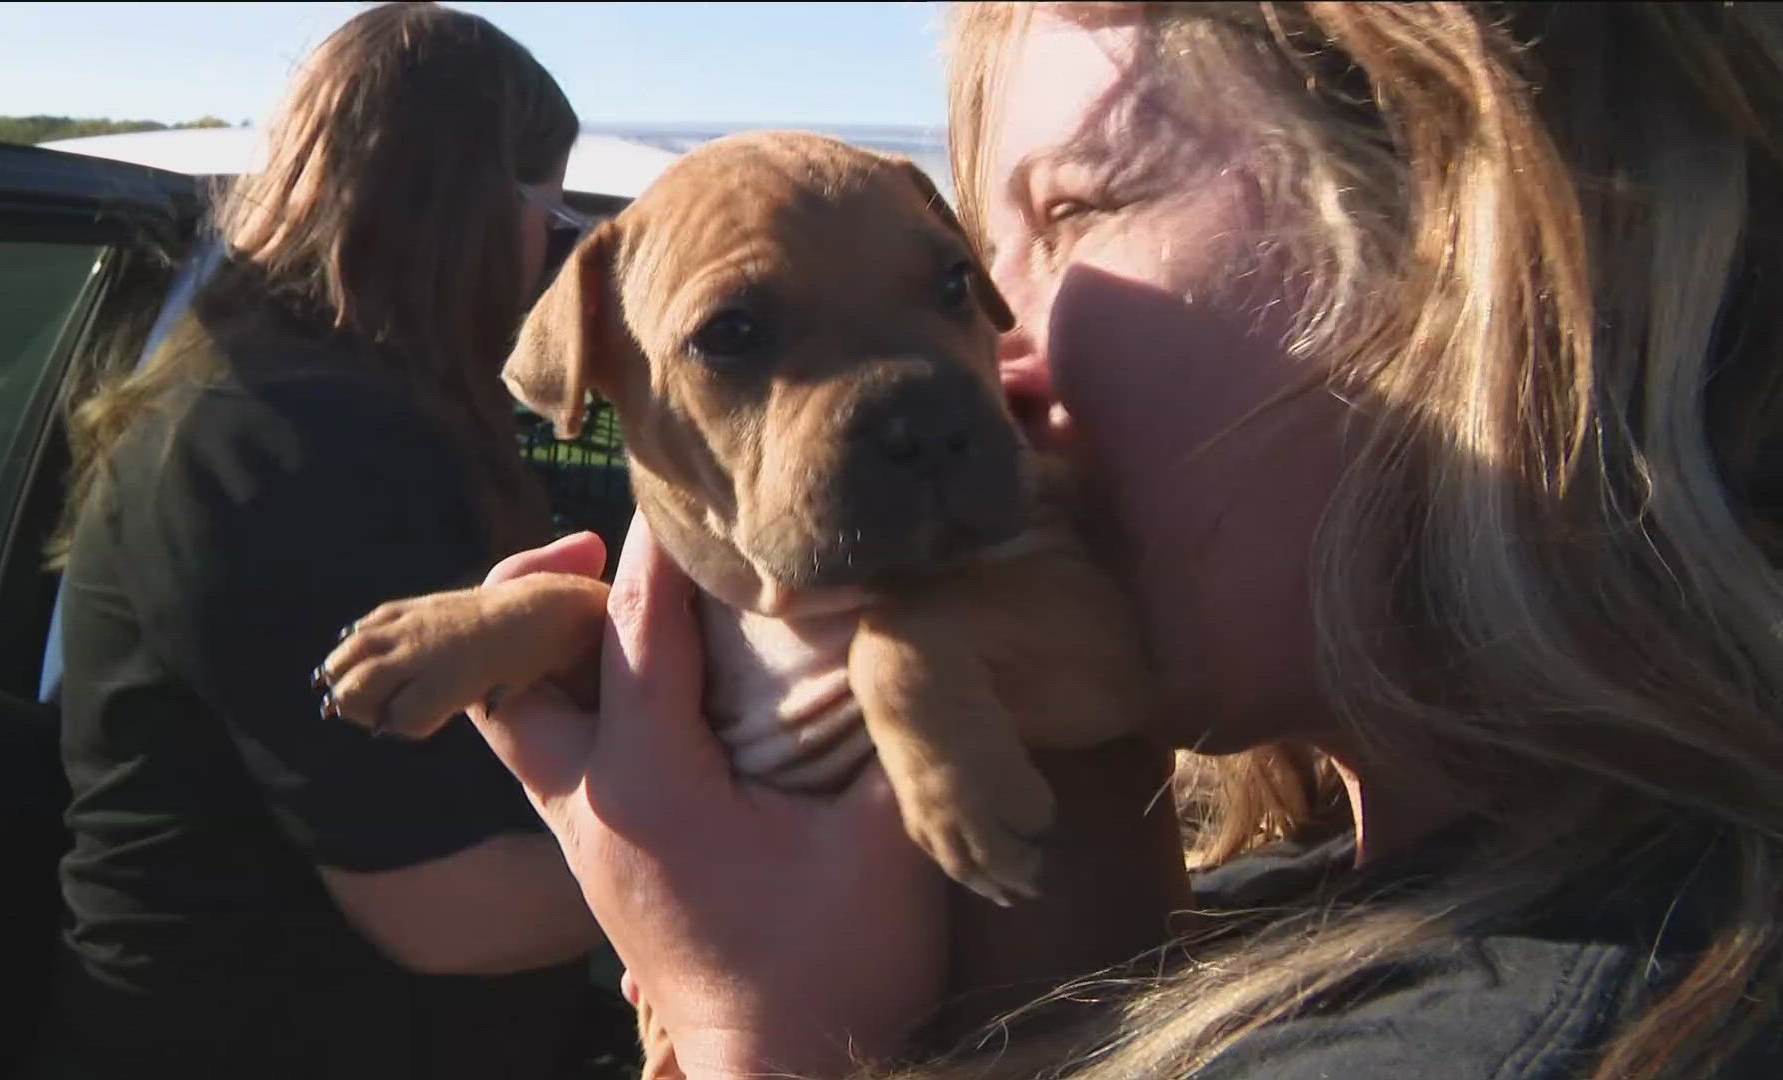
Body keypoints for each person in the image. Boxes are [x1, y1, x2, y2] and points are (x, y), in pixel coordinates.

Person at [448, 3, 1783, 1078]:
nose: (1005, 359)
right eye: (994, 264)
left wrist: (761, 1039)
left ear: (1471, 231)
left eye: (1077, 210)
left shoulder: (1543, 1029)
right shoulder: (1316, 889)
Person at [31, 4, 617, 1077]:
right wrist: (781, 868)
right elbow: (450, 908)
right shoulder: (296, 445)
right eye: (551, 206)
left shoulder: (256, 397)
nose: (555, 245)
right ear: (471, 209)